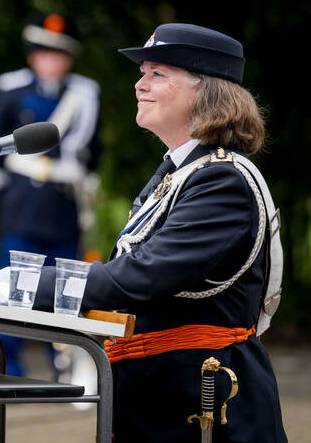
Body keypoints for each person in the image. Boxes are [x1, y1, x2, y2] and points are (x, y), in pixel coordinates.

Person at [32, 23, 287, 442]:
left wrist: (29, 285)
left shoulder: (222, 180)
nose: (140, 84)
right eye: (143, 73)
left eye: (157, 73)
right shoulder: (182, 171)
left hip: (204, 401)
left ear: (206, 92)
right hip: (163, 395)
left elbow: (141, 276)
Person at [0, 13, 100, 377]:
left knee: (64, 293)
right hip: (23, 206)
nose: (52, 61)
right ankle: (7, 367)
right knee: (14, 289)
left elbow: (93, 152)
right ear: (33, 56)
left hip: (62, 207)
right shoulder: (13, 91)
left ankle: (62, 367)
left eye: (59, 54)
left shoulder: (83, 96)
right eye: (45, 53)